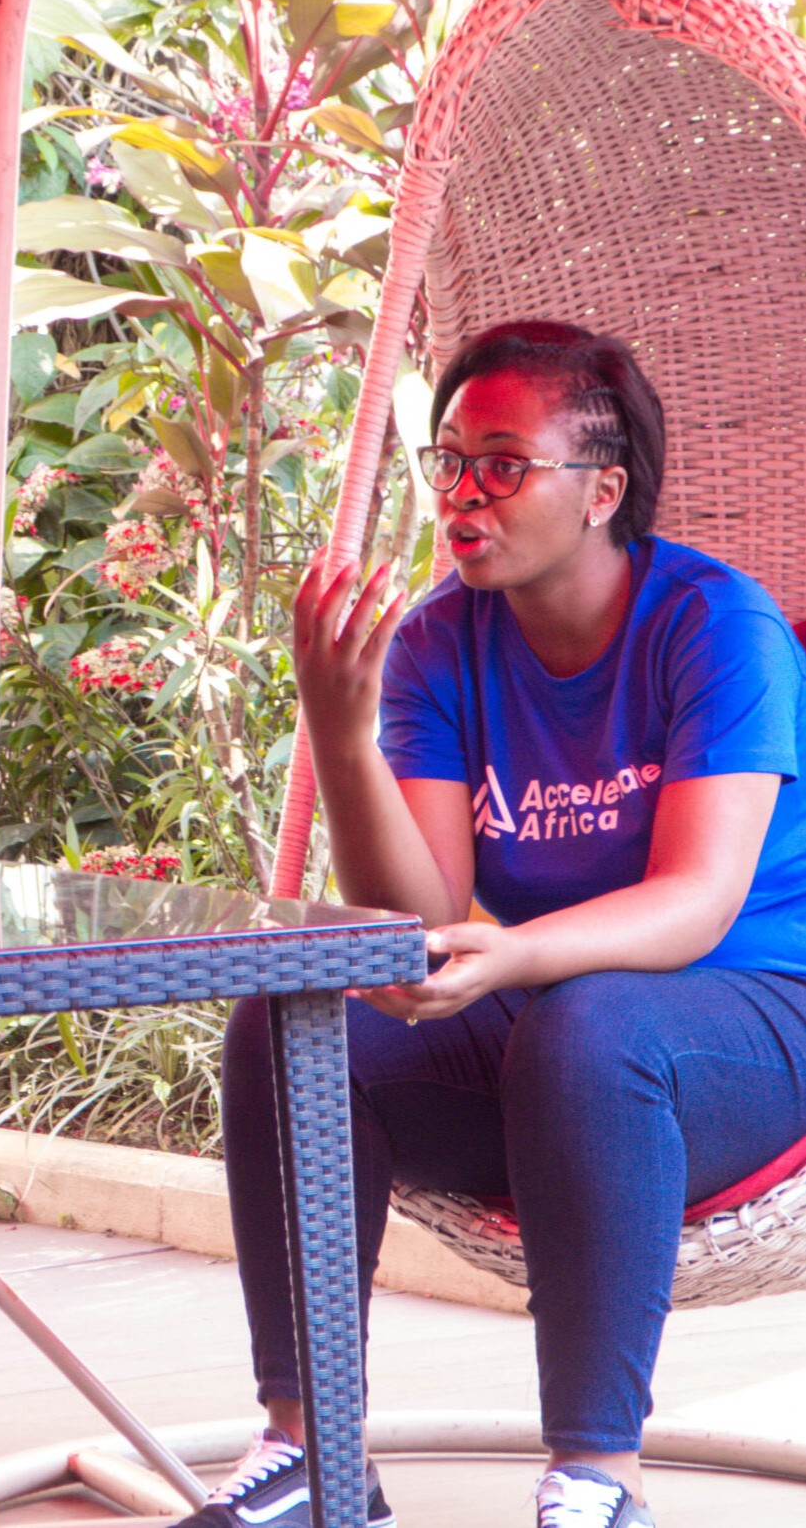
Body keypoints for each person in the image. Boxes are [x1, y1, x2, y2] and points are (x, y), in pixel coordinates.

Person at [190, 320, 806, 1528]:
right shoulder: (437, 641)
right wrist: (343, 732)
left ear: (601, 491)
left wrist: (515, 954)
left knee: (591, 1026)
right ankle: (312, 1452)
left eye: (505, 465)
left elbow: (698, 902)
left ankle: (598, 1478)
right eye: (451, 462)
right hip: (564, 1034)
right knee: (292, 1025)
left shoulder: (716, 626)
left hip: (759, 1025)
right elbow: (417, 917)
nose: (464, 495)